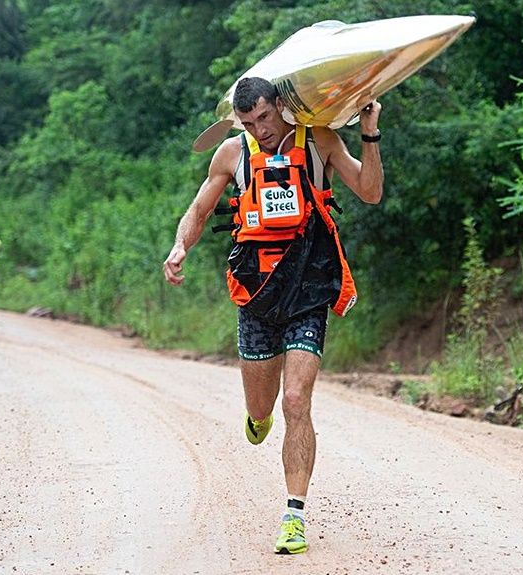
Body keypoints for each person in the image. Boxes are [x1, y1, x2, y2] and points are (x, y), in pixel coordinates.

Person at [163, 77, 383, 554]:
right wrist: (181, 245)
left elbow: (369, 191)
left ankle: (294, 515)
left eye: (263, 117)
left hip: (309, 286)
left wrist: (369, 133)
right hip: (256, 292)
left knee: (297, 401)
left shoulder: (320, 140)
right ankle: (255, 418)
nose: (259, 129)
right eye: (247, 122)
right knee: (262, 411)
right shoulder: (231, 154)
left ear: (278, 105)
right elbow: (198, 210)